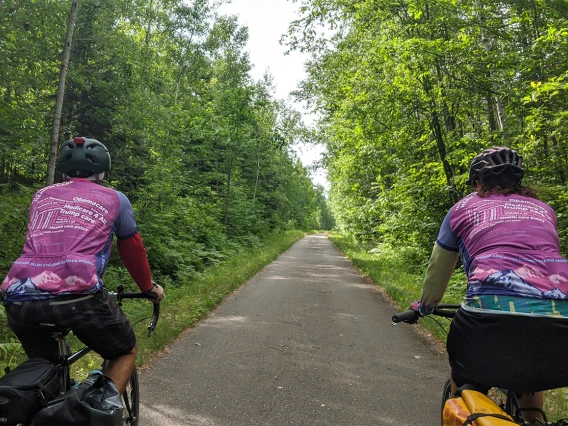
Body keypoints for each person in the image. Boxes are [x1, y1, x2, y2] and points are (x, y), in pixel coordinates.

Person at [413, 146, 568, 421]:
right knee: (532, 373)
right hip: (561, 324)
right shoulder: (545, 210)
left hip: (486, 323)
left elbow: (438, 271)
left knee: (464, 388)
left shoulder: (462, 209)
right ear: (518, 181)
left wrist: (424, 307)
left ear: (476, 181)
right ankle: (534, 418)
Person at [1, 136, 164, 393]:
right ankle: (97, 413)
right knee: (124, 350)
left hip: (19, 298)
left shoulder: (41, 196)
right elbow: (132, 248)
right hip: (78, 297)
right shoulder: (115, 199)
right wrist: (148, 288)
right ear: (103, 170)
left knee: (45, 368)